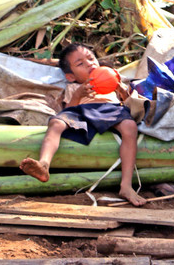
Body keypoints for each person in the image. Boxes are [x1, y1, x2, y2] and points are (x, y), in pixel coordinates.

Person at [20, 43, 147, 206]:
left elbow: (129, 104)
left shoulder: (111, 84)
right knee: (56, 123)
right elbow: (69, 110)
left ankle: (126, 185)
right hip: (82, 110)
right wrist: (79, 94)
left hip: (110, 109)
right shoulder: (73, 87)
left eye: (91, 58)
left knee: (130, 126)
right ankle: (44, 163)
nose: (89, 64)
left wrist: (120, 88)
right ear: (71, 76)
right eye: (80, 64)